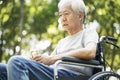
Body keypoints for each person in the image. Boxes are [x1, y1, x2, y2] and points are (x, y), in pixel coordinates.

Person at [0, 0, 98, 80]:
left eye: (66, 14)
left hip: (72, 75)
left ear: (80, 16)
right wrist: (40, 61)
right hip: (54, 73)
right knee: (2, 68)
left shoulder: (88, 33)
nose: (62, 19)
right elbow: (50, 62)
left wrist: (53, 58)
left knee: (16, 62)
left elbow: (90, 52)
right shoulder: (62, 42)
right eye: (60, 15)